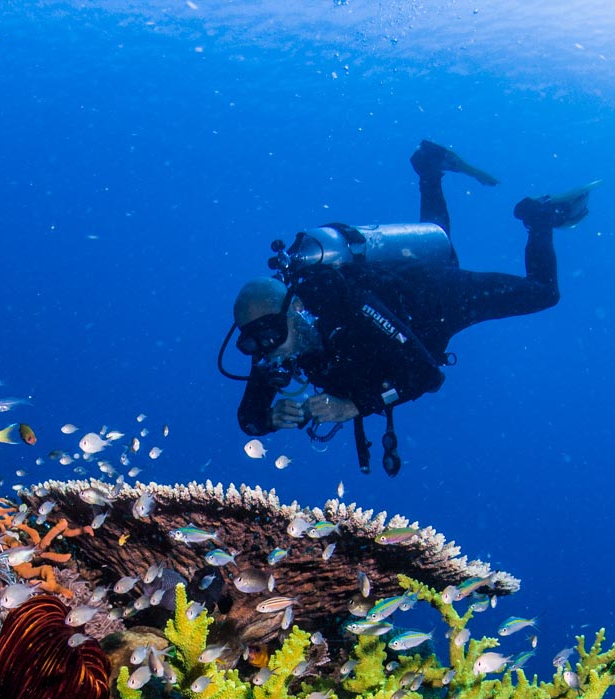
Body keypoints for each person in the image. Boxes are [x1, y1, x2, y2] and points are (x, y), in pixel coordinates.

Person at [224, 140, 593, 476]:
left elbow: (426, 377)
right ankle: (430, 168)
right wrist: (272, 417)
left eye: (271, 337)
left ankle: (539, 218)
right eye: (254, 344)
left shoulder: (349, 305)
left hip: (438, 300)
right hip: (414, 284)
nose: (270, 351)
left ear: (296, 308)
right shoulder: (273, 339)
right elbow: (249, 420)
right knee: (439, 241)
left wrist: (352, 406)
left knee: (542, 293)